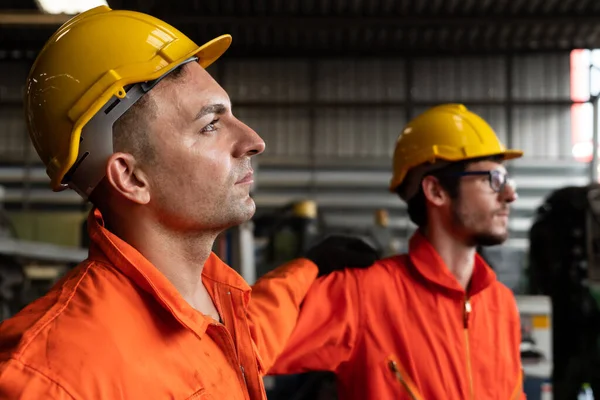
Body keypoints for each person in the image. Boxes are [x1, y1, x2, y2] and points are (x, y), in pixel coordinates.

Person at [0, 6, 378, 399]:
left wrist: (310, 266)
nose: (254, 140)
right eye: (210, 125)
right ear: (130, 178)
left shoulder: (215, 307)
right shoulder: (52, 376)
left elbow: (261, 325)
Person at [260, 104, 527, 399]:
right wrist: (306, 269)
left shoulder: (500, 304)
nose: (510, 195)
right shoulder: (363, 295)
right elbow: (244, 344)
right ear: (436, 191)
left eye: (508, 180)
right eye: (493, 180)